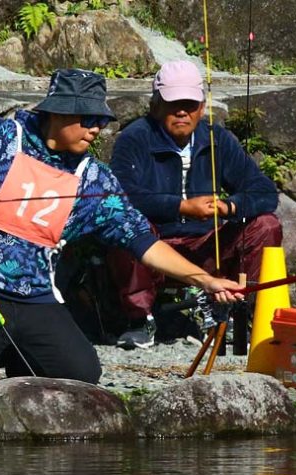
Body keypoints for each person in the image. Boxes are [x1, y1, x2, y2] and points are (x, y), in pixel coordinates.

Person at [0, 69, 243, 389]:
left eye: (100, 122)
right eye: (86, 119)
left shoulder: (94, 179)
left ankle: (1, 347)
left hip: (33, 292)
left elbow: (141, 240)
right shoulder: (1, 138)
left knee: (81, 374)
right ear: (57, 113)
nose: (95, 129)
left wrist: (204, 280)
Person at [108, 60, 282, 349]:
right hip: (155, 243)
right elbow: (122, 194)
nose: (181, 111)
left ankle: (246, 313)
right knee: (122, 226)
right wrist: (181, 207)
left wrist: (229, 206)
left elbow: (264, 192)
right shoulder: (134, 138)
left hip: (206, 242)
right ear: (155, 105)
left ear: (201, 108)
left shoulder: (217, 139)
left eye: (189, 104)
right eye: (173, 103)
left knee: (266, 225)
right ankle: (140, 319)